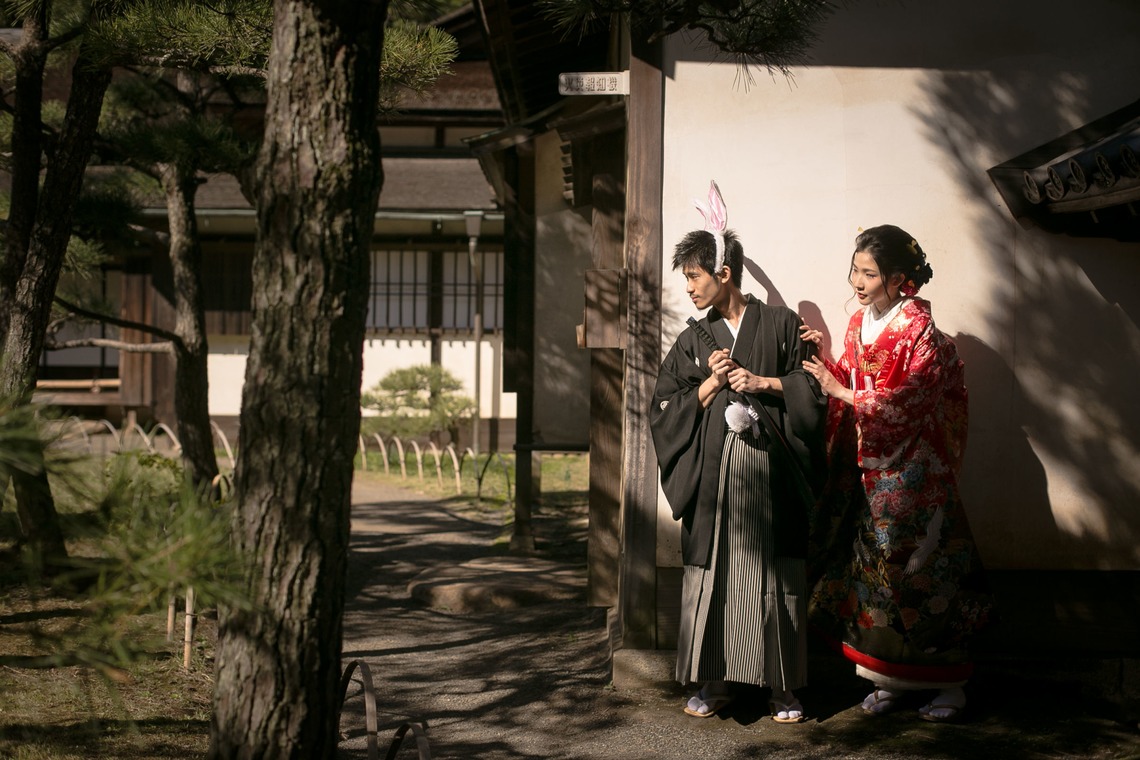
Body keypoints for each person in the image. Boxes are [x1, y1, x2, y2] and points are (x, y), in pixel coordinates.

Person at [801, 224, 994, 723]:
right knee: (877, 582)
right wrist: (827, 363)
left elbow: (909, 401)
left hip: (916, 479)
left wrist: (843, 393)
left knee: (924, 577)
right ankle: (887, 679)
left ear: (901, 280)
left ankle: (948, 686)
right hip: (872, 475)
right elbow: (852, 378)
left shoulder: (921, 334)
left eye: (870, 274)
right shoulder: (859, 323)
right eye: (856, 270)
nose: (858, 282)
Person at [650, 181, 826, 723]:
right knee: (715, 576)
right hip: (713, 476)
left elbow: (811, 389)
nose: (691, 290)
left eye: (695, 277)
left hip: (768, 473)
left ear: (723, 273)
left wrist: (761, 381)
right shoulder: (693, 340)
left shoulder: (778, 325)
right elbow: (661, 406)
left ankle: (781, 689)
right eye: (687, 280)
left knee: (772, 577)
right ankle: (716, 681)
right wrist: (707, 386)